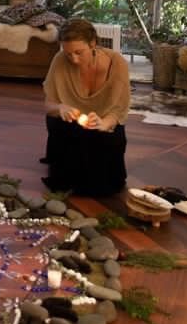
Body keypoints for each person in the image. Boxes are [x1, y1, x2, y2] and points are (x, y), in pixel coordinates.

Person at [40, 18, 130, 196]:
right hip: (70, 123)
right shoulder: (59, 60)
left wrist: (104, 123)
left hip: (104, 122)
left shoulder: (117, 63)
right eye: (68, 53)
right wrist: (60, 108)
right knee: (65, 176)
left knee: (108, 179)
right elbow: (48, 105)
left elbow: (119, 109)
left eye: (79, 52)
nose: (73, 59)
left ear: (93, 43)